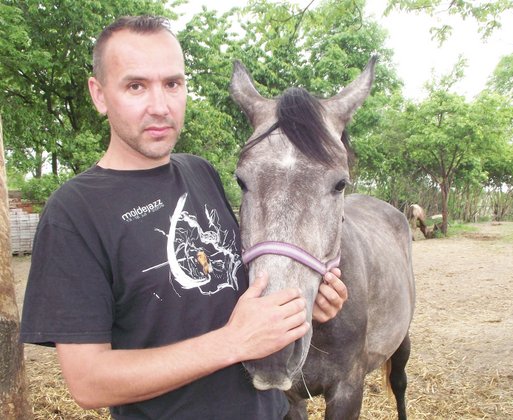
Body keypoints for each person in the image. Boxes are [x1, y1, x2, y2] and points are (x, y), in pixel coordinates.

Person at [20, 15, 348, 419]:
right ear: (99, 94)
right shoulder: (73, 213)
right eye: (136, 85)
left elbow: (227, 289)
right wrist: (232, 342)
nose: (159, 107)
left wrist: (301, 303)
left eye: (172, 84)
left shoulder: (200, 172)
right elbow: (88, 381)